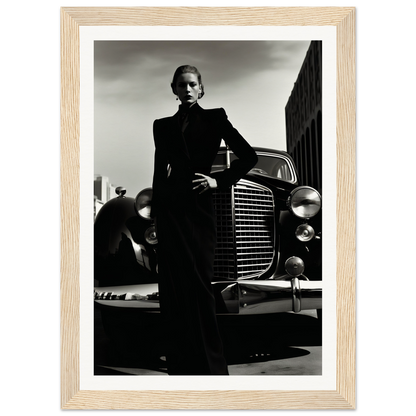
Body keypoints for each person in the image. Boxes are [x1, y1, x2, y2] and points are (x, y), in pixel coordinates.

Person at [150, 65, 258, 375]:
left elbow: (247, 156)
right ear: (174, 89)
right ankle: (180, 366)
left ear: (201, 89)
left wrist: (218, 181)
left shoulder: (215, 118)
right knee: (173, 291)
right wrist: (157, 219)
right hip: (171, 215)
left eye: (192, 84)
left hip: (198, 214)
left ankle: (212, 368)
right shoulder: (161, 126)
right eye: (181, 85)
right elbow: (159, 173)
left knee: (199, 290)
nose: (186, 89)